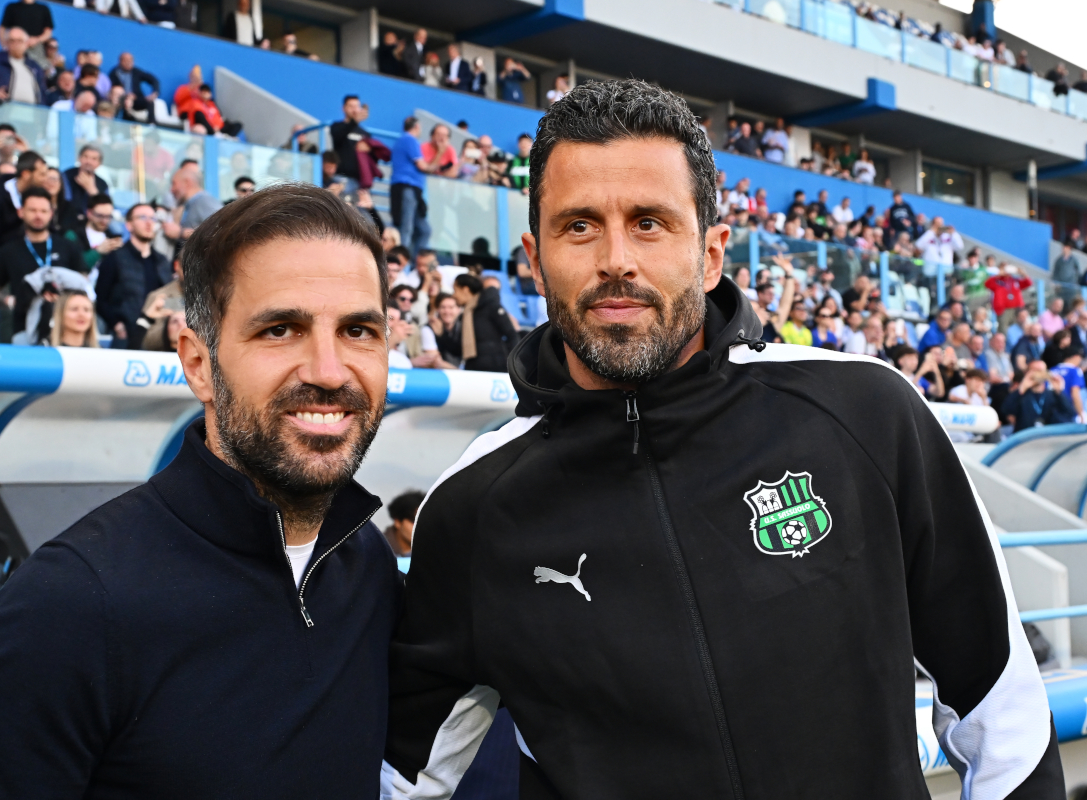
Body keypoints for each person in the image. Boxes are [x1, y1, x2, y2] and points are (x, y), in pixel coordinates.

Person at [381, 79, 1062, 799]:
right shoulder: (472, 507)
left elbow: (1000, 709)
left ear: (710, 254)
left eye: (650, 222)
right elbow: (404, 779)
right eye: (579, 225)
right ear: (534, 255)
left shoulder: (865, 413)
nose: (617, 257)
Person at [0, 184, 398, 797]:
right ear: (198, 363)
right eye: (280, 330)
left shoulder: (369, 567)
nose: (329, 371)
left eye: (360, 330)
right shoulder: (66, 607)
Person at [0, 186, 86, 341]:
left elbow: (83, 281)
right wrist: (8, 300)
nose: (38, 216)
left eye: (43, 211)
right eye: (33, 210)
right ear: (21, 212)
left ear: (51, 214)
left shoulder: (68, 246)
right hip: (24, 330)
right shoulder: (9, 251)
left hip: (64, 331)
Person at [96, 202, 174, 349]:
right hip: (126, 338)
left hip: (158, 337)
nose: (149, 222)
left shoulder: (162, 261)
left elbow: (169, 295)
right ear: (129, 225)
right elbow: (101, 299)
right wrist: (117, 325)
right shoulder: (114, 258)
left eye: (153, 218)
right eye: (142, 217)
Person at [0, 150, 48, 271]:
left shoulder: (42, 195)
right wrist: (3, 265)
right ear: (26, 174)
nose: (45, 179)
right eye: (41, 174)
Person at [389, 116, 440, 257]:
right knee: (406, 228)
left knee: (424, 230)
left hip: (411, 189)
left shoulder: (402, 140)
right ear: (417, 126)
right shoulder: (409, 140)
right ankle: (400, 262)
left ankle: (416, 262)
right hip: (408, 188)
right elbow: (423, 166)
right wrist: (440, 153)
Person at [451, 273, 517, 372]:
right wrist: (441, 334)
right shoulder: (464, 316)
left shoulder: (490, 306)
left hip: (496, 369)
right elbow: (458, 349)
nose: (453, 295)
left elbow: (511, 334)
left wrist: (511, 364)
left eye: (455, 290)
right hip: (473, 369)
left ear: (465, 290)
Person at [0, 26, 47, 103]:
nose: (16, 44)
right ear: (7, 43)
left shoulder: (34, 66)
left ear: (26, 43)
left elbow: (42, 93)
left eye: (19, 41)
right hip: (4, 110)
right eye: (12, 41)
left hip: (32, 111)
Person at [1003, 366, 1074, 431]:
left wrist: (1059, 392)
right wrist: (1022, 387)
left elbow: (1070, 412)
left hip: (1048, 436)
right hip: (1026, 437)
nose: (1038, 374)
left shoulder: (1053, 395)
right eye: (1034, 371)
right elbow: (1006, 410)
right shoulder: (1022, 395)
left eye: (1040, 371)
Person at [170, 165, 222, 240]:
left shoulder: (204, 201)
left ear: (186, 182)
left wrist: (181, 232)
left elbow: (220, 231)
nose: (171, 189)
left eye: (174, 183)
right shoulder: (190, 204)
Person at [330, 95, 370, 185]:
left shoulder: (365, 133)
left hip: (359, 181)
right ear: (344, 108)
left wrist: (369, 149)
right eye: (351, 106)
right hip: (340, 178)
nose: (354, 110)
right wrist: (354, 122)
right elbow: (338, 136)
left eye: (357, 106)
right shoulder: (337, 126)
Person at [0, 0, 53, 65]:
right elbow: (2, 29)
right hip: (16, 48)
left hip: (35, 49)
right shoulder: (12, 7)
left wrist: (37, 40)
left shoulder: (43, 9)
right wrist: (5, 46)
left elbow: (48, 32)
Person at [985, 265, 1032, 331]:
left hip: (1016, 309)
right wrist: (998, 275)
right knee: (1003, 330)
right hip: (1003, 310)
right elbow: (987, 284)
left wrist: (1023, 273)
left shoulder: (1015, 280)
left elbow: (1028, 283)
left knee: (1018, 329)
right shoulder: (997, 281)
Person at [384, 491, 423, 556]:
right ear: (398, 522)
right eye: (414, 521)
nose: (421, 527)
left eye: (424, 522)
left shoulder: (436, 551)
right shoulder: (377, 549)